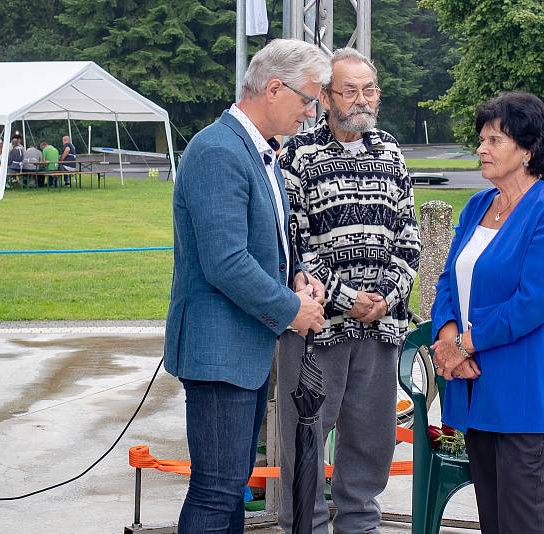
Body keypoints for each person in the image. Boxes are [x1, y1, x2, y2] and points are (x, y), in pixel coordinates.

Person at [163, 38, 331, 534]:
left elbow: (268, 237)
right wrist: (291, 309)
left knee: (228, 488)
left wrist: (296, 275)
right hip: (220, 351)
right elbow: (226, 262)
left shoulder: (257, 151)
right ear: (274, 89)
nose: (311, 113)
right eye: (307, 100)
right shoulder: (218, 150)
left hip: (242, 350)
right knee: (216, 492)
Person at [277, 47, 421, 534]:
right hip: (318, 330)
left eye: (370, 89)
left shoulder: (391, 151)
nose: (362, 100)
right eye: (350, 90)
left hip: (381, 329)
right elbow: (294, 245)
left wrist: (384, 296)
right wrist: (346, 298)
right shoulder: (297, 154)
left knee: (371, 445)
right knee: (306, 440)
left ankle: (361, 527)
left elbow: (409, 236)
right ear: (326, 97)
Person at [430, 92, 544, 534]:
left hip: (519, 378)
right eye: (482, 139)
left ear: (528, 149)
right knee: (492, 512)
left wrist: (462, 345)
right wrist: (447, 336)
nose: (482, 149)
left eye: (495, 140)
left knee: (521, 511)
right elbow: (447, 279)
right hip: (471, 377)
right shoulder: (478, 205)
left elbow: (534, 302)